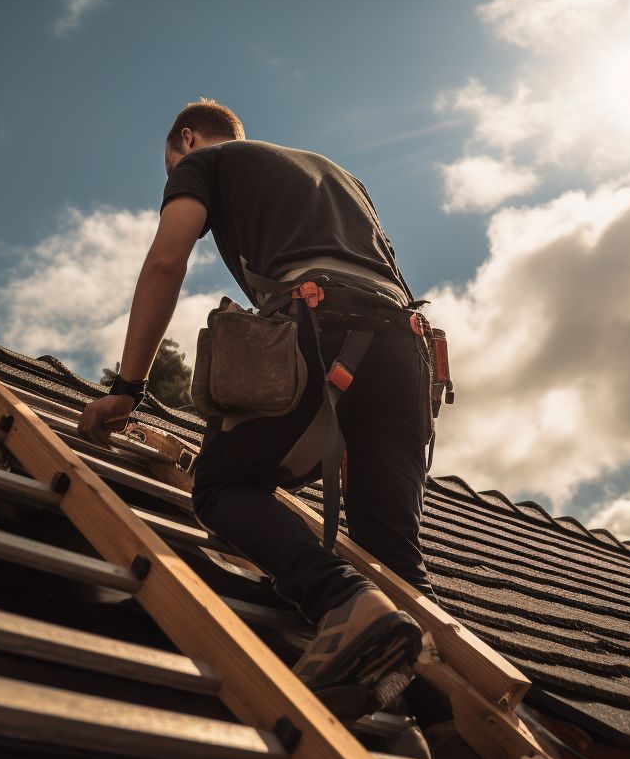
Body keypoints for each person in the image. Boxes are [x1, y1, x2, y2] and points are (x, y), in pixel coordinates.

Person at [78, 99, 439, 718]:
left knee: (221, 485)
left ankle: (340, 602)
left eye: (169, 167)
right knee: (395, 558)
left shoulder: (205, 162)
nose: (170, 177)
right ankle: (448, 718)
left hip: (319, 324)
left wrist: (128, 387)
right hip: (406, 347)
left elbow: (167, 260)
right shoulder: (335, 174)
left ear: (185, 139)